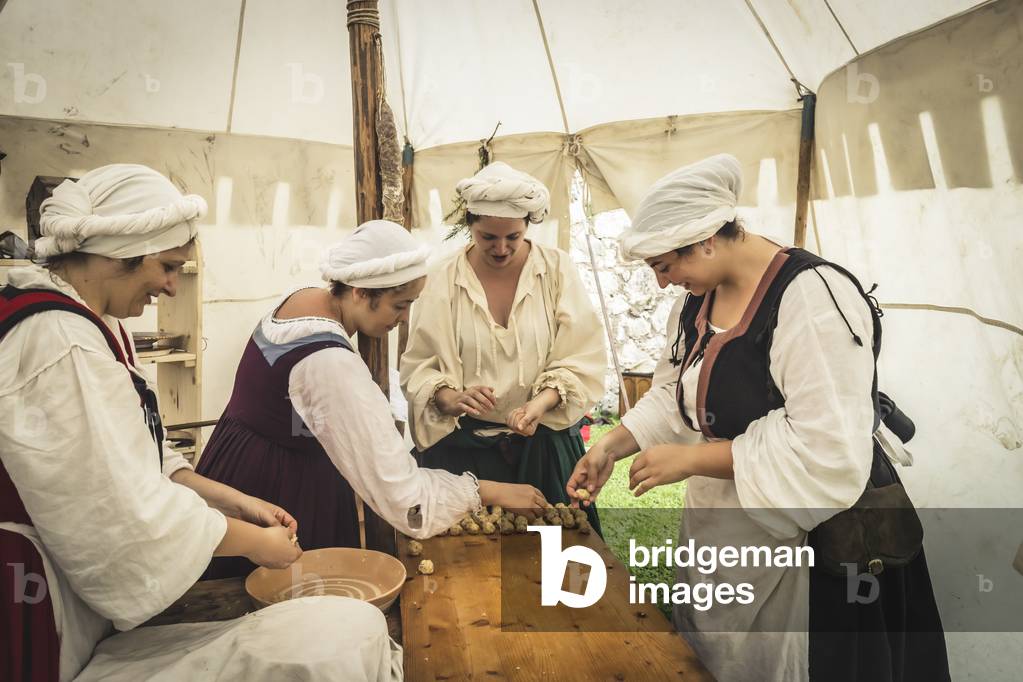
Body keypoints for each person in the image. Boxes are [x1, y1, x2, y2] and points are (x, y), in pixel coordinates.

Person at [0, 165, 400, 681]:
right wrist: (253, 542)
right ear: (120, 254)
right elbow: (123, 515)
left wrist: (235, 500)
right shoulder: (60, 341)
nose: (171, 286)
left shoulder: (96, 323)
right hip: (33, 587)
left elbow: (144, 454)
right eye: (166, 266)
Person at [567, 154, 949, 681]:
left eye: (665, 266)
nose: (661, 284)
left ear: (706, 240)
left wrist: (695, 458)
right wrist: (610, 446)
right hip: (728, 524)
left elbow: (827, 446)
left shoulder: (812, 299)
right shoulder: (699, 298)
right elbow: (677, 392)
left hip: (813, 532)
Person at [196, 219, 548, 578]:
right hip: (281, 490)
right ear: (360, 292)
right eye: (398, 305)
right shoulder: (329, 362)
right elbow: (403, 495)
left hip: (238, 460)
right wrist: (488, 491)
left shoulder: (303, 299)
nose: (404, 318)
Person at [400, 161, 606, 529]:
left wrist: (541, 403)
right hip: (464, 455)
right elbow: (420, 368)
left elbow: (581, 354)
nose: (500, 248)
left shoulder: (556, 271)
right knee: (465, 570)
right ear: (469, 226)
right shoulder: (443, 279)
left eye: (512, 236)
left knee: (555, 565)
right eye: (487, 237)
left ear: (528, 226)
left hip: (544, 451)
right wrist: (451, 397)